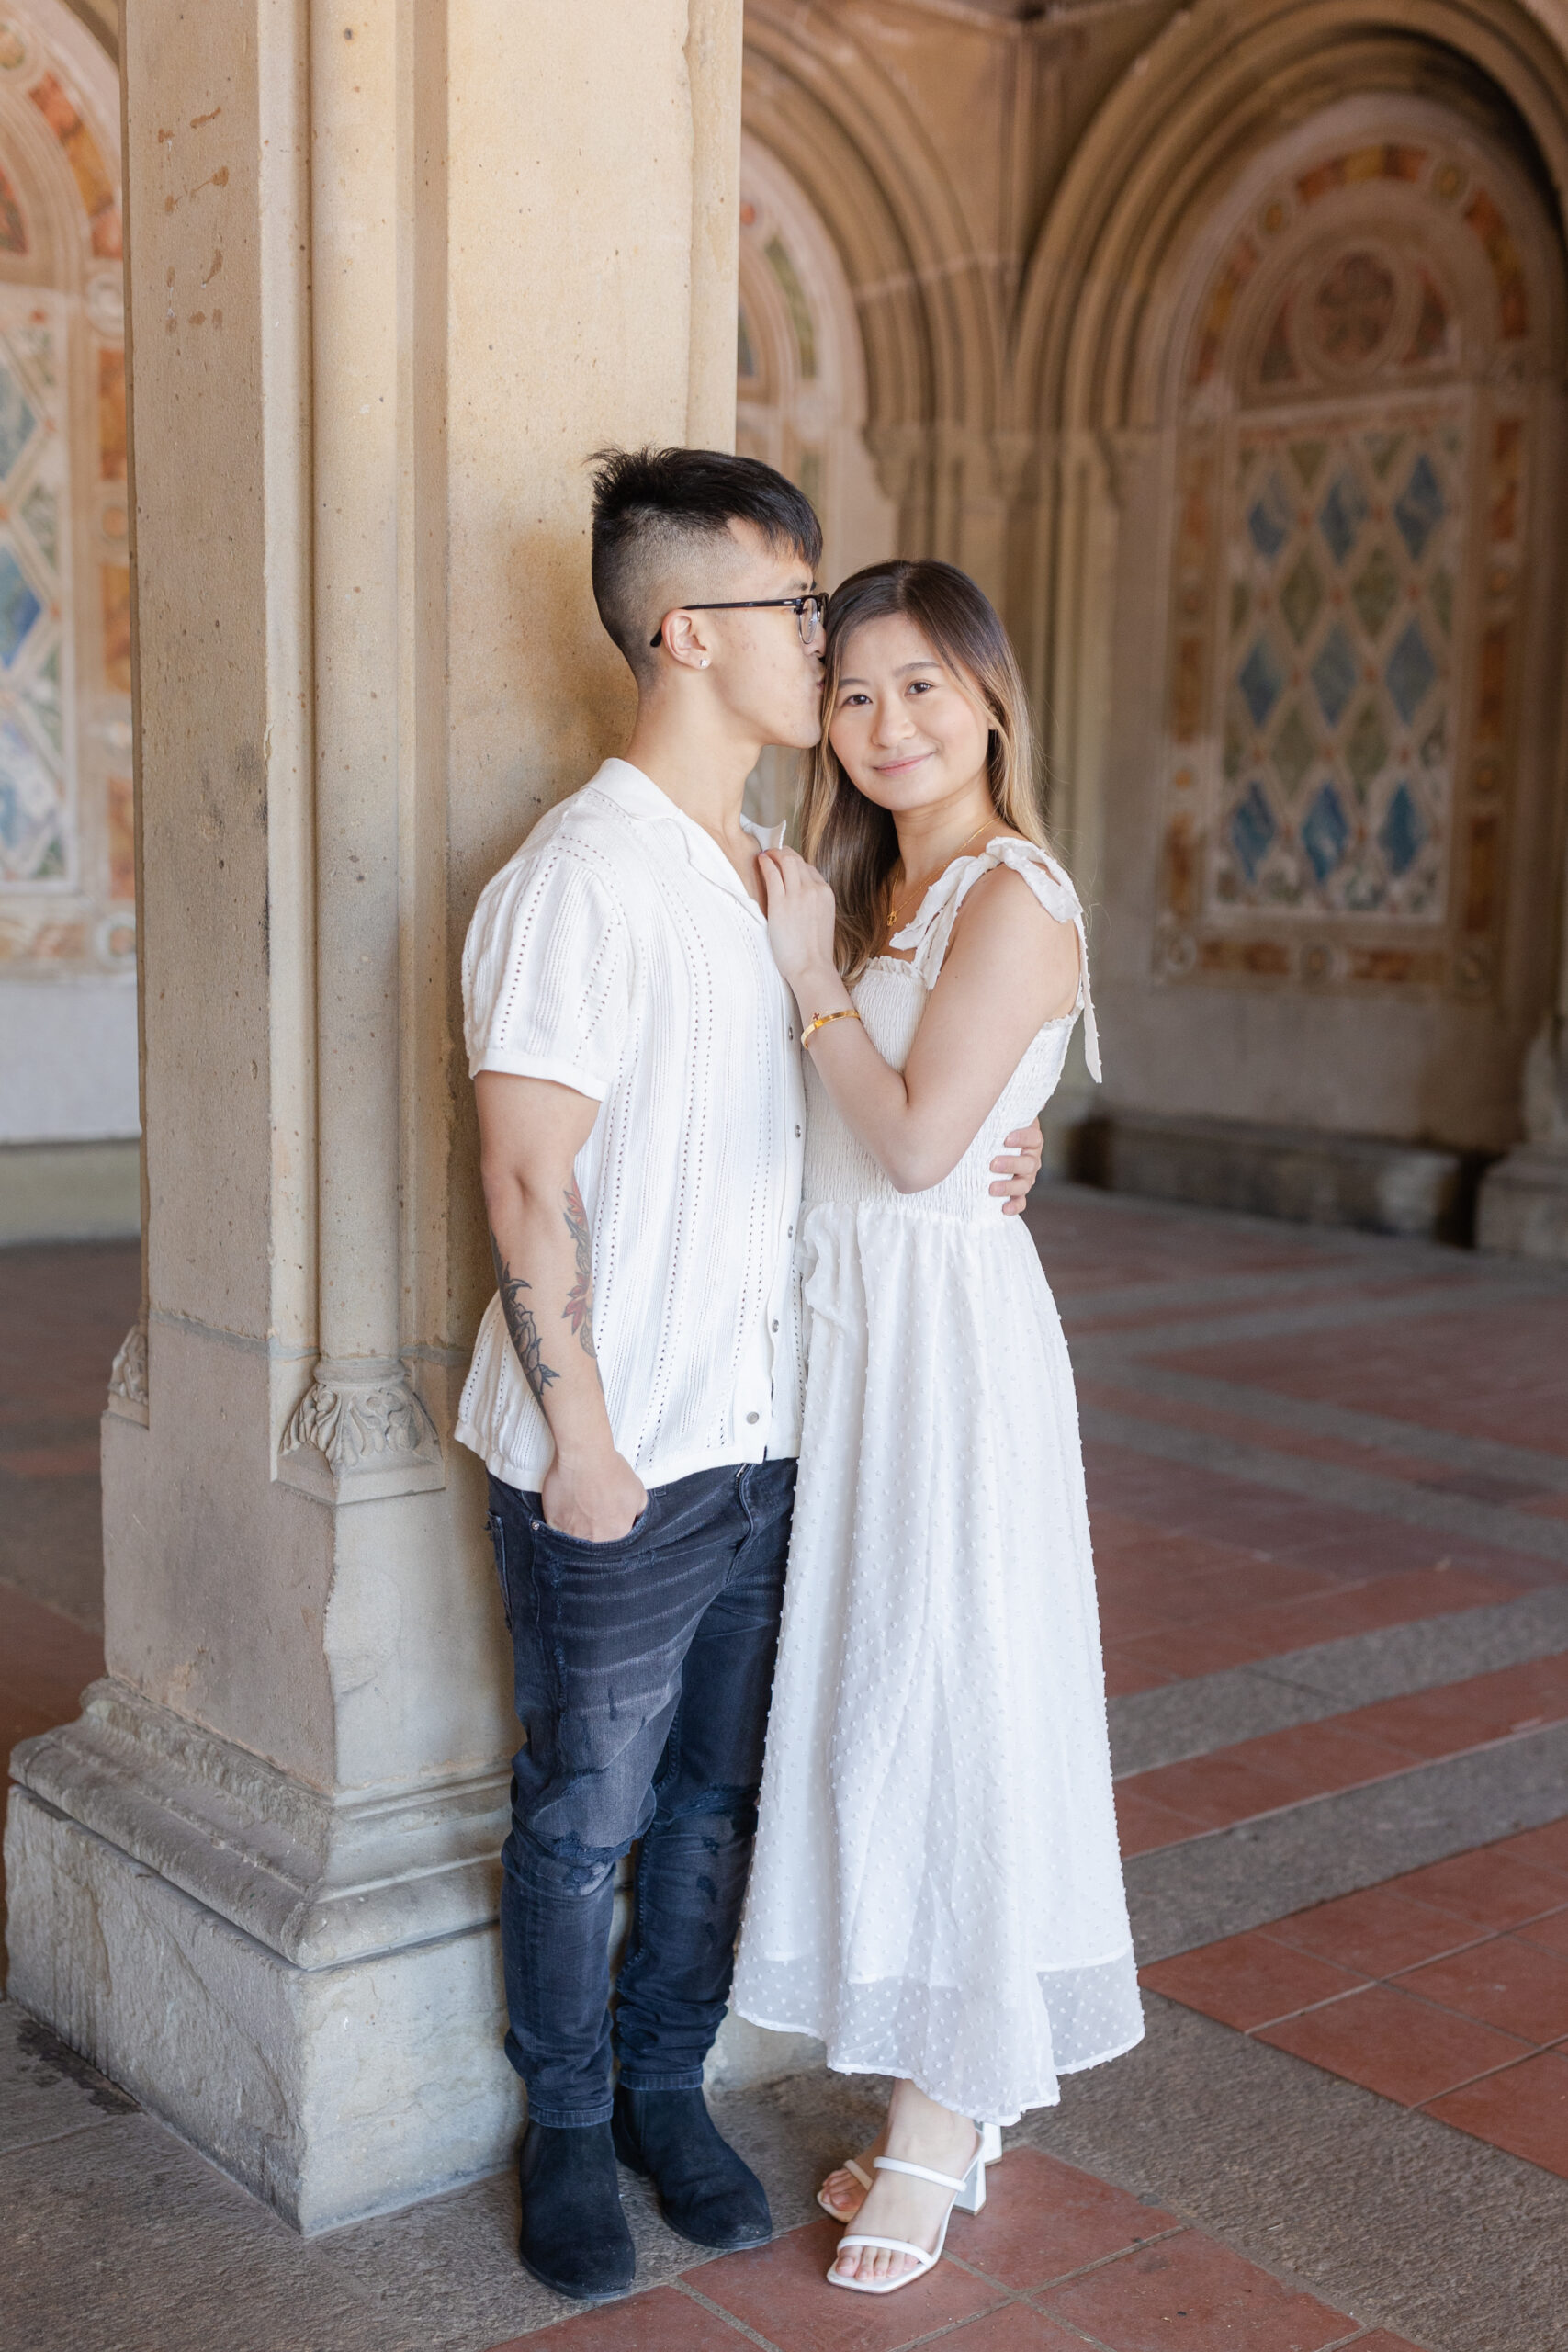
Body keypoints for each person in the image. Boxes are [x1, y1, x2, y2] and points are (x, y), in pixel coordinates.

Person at [456, 450, 1043, 2304]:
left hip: (778, 1436)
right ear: (688, 633)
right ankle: (561, 2125)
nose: (828, 643)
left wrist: (990, 1160)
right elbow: (524, 1170)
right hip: (622, 1451)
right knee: (584, 1809)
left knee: (712, 1800)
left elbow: (887, 1108)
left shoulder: (783, 876)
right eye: (800, 614)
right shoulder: (579, 875)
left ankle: (658, 2088)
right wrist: (581, 1436)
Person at [734, 557, 1144, 2298]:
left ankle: (940, 2108)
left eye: (922, 688)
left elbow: (912, 1148)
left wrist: (812, 978)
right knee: (863, 1696)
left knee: (944, 1697)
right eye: (853, 694)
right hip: (850, 1333)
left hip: (946, 1359)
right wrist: (825, 957)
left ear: (988, 696)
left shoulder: (1010, 894)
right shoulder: (863, 881)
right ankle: (946, 2080)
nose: (888, 725)